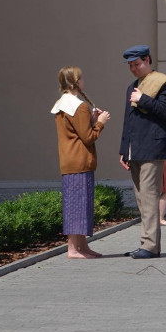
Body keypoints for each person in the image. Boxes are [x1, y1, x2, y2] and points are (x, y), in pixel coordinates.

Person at [119, 45, 166, 259]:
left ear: (147, 60)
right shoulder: (132, 86)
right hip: (135, 149)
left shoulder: (162, 83)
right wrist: (123, 149)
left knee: (149, 197)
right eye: (130, 66)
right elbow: (128, 121)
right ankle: (147, 244)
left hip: (152, 147)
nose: (133, 69)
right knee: (141, 199)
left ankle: (150, 246)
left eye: (136, 64)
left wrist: (143, 99)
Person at [51, 67, 111, 259]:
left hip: (69, 161)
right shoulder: (79, 106)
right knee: (78, 206)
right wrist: (101, 122)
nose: (84, 81)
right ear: (76, 81)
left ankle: (82, 246)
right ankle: (73, 249)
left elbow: (76, 132)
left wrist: (91, 120)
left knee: (76, 205)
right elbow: (88, 137)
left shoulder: (62, 104)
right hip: (80, 161)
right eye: (82, 78)